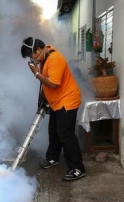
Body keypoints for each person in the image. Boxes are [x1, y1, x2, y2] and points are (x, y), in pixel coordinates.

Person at [20, 37, 86, 181]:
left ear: (38, 50)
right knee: (54, 131)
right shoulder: (45, 55)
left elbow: (53, 83)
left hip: (67, 101)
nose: (32, 59)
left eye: (31, 55)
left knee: (65, 134)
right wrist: (43, 98)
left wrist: (36, 73)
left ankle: (77, 168)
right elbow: (46, 84)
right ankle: (52, 158)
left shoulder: (55, 59)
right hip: (56, 101)